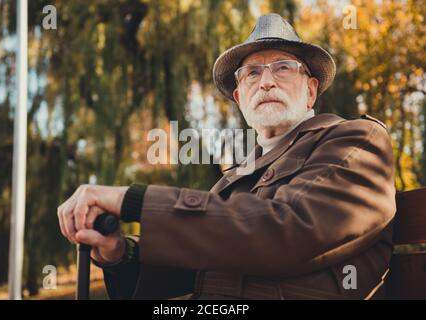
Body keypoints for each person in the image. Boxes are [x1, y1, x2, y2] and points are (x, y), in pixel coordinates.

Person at [57, 13, 396, 300]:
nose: (265, 83)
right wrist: (121, 253)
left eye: (283, 69)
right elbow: (193, 266)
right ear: (239, 98)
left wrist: (132, 200)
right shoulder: (235, 176)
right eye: (252, 73)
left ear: (310, 91)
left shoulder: (356, 140)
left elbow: (287, 227)